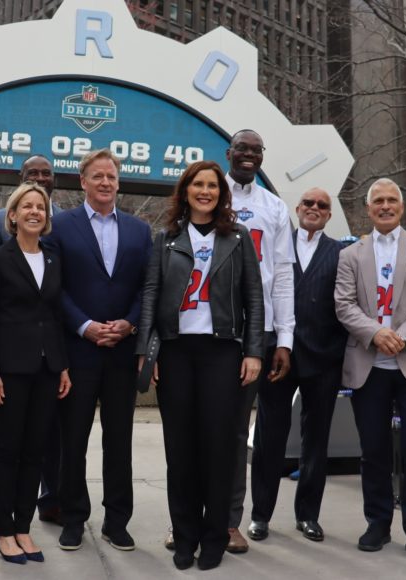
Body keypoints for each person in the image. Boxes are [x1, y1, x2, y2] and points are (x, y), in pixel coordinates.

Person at [137, 161, 264, 570]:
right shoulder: (166, 238)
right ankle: (184, 536)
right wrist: (146, 353)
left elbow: (254, 297)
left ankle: (214, 536)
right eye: (198, 184)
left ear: (220, 194)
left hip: (222, 351)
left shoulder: (238, 238)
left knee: (219, 448)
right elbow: (152, 293)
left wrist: (253, 351)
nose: (205, 191)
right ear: (186, 190)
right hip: (175, 351)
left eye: (212, 185)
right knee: (180, 450)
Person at [334, 178, 406, 565]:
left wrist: (402, 337)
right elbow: (344, 304)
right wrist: (376, 333)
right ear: (368, 209)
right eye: (377, 200)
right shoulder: (351, 254)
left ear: (402, 206)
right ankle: (378, 523)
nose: (384, 206)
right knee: (374, 450)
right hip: (369, 365)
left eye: (391, 200)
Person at [46, 149, 152, 552]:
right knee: (72, 440)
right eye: (97, 176)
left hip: (122, 352)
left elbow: (147, 287)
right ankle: (73, 518)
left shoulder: (140, 230)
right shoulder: (60, 226)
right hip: (78, 351)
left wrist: (130, 323)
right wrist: (85, 326)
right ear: (83, 182)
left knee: (119, 441)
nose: (105, 182)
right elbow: (54, 286)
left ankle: (117, 521)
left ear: (118, 182)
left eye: (111, 176)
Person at [0, 183, 72, 564]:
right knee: (9, 452)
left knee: (35, 452)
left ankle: (23, 528)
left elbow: (55, 317)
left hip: (47, 371)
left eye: (41, 207)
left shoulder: (52, 259)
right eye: (27, 206)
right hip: (10, 372)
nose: (35, 212)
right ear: (13, 215)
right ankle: (3, 530)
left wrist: (62, 366)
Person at [249, 187, 346, 543]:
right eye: (308, 203)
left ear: (329, 214)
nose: (314, 208)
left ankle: (308, 515)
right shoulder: (278, 245)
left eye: (322, 205)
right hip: (279, 353)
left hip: (323, 357)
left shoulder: (341, 253)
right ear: (297, 208)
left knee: (316, 441)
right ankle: (260, 515)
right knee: (269, 438)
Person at [222, 129, 295, 554]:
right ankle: (188, 517)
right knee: (198, 427)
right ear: (228, 153)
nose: (249, 155)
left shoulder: (274, 207)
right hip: (208, 328)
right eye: (242, 149)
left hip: (255, 332)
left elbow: (282, 276)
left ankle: (230, 521)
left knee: (235, 432)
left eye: (256, 150)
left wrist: (284, 338)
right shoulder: (208, 193)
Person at [0, 154, 61, 247]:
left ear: (53, 178)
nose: (40, 178)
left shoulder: (67, 221)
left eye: (46, 174)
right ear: (21, 178)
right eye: (33, 173)